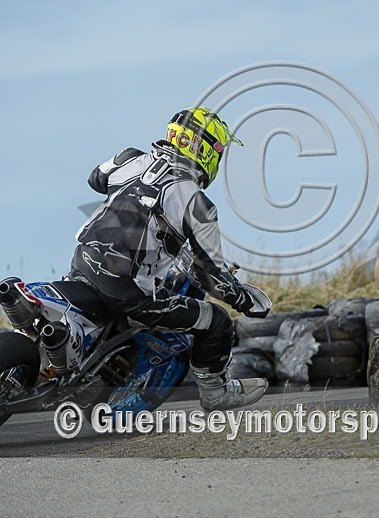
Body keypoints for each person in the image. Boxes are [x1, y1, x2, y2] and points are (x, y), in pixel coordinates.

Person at [69, 107, 267, 411]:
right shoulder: (197, 202)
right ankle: (217, 393)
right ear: (203, 149)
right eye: (219, 150)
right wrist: (245, 299)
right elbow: (211, 274)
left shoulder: (129, 158)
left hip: (83, 261)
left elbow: (96, 178)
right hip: (128, 291)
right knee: (216, 321)